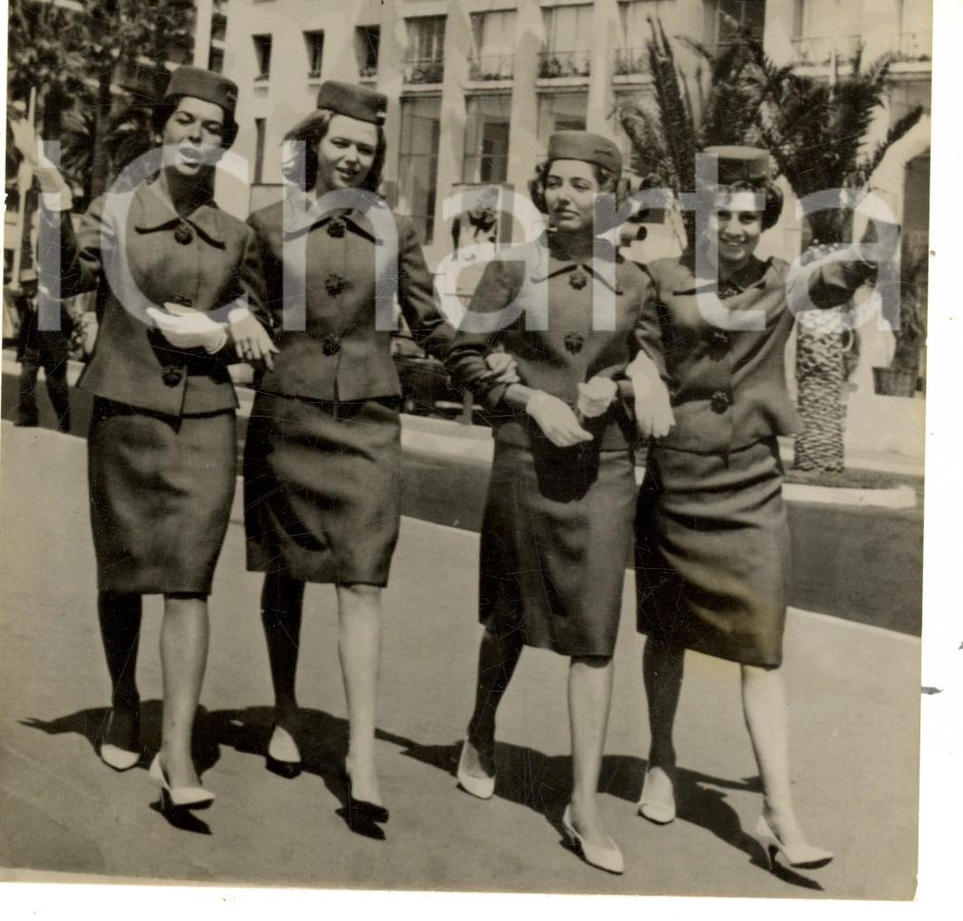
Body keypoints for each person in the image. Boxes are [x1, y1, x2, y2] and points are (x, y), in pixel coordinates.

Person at [10, 66, 277, 816]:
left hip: (205, 421)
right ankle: (124, 699)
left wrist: (230, 329)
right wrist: (56, 206)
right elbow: (66, 281)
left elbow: (258, 326)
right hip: (125, 410)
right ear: (162, 127)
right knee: (124, 572)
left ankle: (179, 748)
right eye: (185, 123)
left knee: (190, 580)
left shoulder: (238, 232)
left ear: (226, 144)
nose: (197, 138)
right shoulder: (116, 208)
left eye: (213, 129)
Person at [632, 146, 877, 874]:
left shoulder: (784, 281)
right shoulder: (662, 279)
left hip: (751, 486)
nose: (735, 228)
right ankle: (659, 758)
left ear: (765, 219)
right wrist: (642, 368)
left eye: (747, 215)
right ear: (697, 216)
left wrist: (868, 244)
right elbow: (635, 348)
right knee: (668, 630)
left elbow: (845, 272)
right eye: (721, 214)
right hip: (680, 479)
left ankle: (778, 812)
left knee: (763, 647)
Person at [446, 131, 673, 876]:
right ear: (542, 188)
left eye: (584, 184)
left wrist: (630, 381)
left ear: (608, 195)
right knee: (509, 614)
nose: (568, 196)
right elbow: (464, 357)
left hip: (605, 471)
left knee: (595, 632)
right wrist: (528, 400)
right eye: (557, 182)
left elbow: (655, 354)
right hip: (524, 462)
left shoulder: (635, 280)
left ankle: (582, 804)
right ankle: (480, 729)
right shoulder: (508, 270)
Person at [242, 80, 459, 833]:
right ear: (313, 143)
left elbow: (432, 324)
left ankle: (361, 753)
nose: (353, 157)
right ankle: (286, 712)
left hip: (367, 419)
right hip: (288, 416)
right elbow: (237, 302)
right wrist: (238, 314)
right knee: (285, 573)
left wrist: (502, 378)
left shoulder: (396, 230)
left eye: (365, 149)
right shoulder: (266, 226)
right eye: (341, 143)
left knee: (362, 580)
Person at [10, 266, 77, 432]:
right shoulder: (21, 302)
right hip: (31, 348)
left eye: (31, 284)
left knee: (56, 387)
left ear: (37, 284)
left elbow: (68, 322)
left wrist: (63, 343)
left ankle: (64, 422)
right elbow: (24, 325)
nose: (28, 288)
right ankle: (27, 418)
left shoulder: (50, 301)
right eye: (24, 285)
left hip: (52, 351)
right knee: (26, 381)